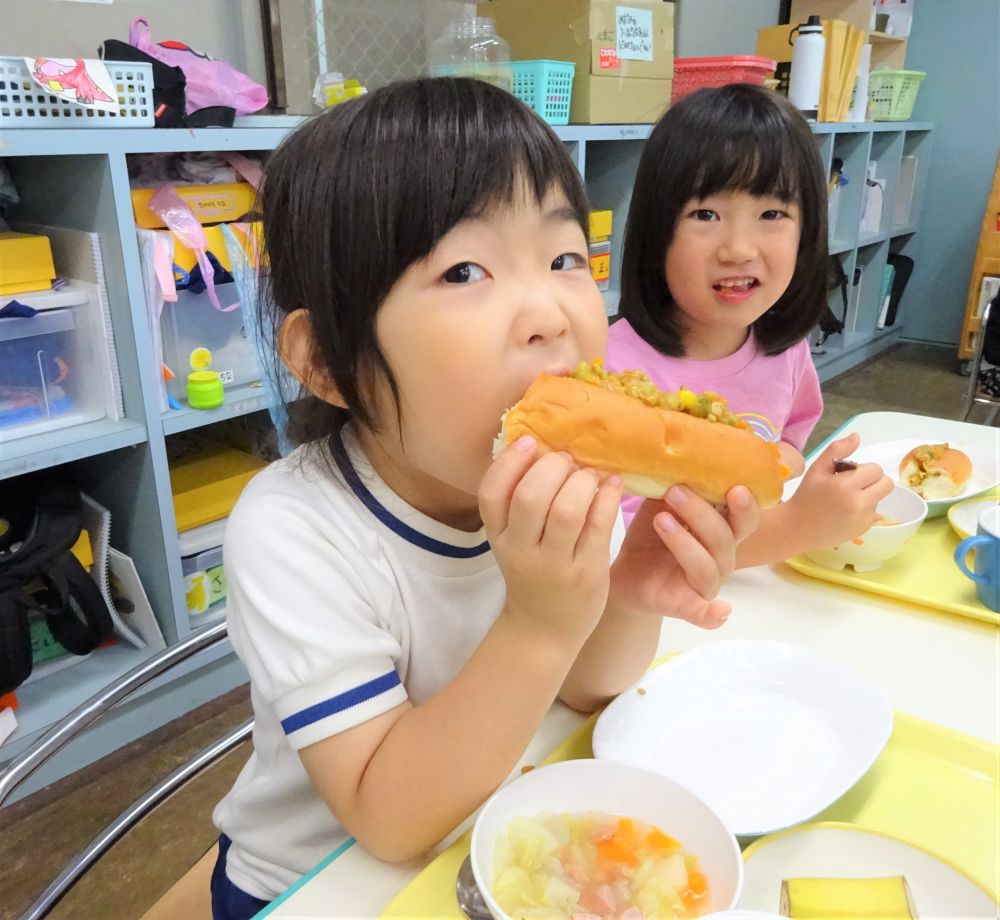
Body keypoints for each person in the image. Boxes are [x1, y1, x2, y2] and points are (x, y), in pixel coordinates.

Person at [209, 77, 759, 919]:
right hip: (313, 885)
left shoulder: (559, 484)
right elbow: (387, 820)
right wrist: (539, 623)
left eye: (565, 258)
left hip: (489, 842)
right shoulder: (294, 530)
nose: (547, 313)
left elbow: (587, 689)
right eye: (464, 269)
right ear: (325, 361)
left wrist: (627, 593)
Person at [606, 84, 892, 606]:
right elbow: (636, 555)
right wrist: (800, 526)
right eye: (705, 215)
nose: (738, 250)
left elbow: (786, 444)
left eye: (773, 215)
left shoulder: (785, 352)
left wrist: (800, 476)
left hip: (757, 598)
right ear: (655, 230)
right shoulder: (612, 374)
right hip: (655, 619)